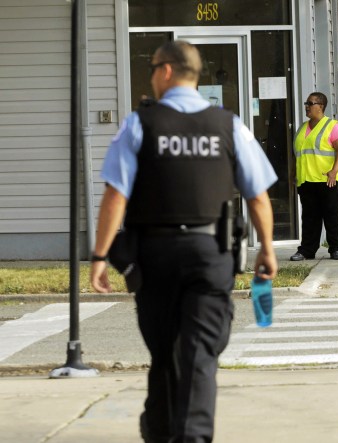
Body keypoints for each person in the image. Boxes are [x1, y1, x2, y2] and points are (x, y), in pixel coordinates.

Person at [90, 40, 278, 443]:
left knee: (165, 352)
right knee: (198, 356)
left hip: (154, 258)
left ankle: (164, 431)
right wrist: (266, 248)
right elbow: (258, 195)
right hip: (209, 254)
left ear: (168, 71)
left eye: (153, 67)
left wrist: (100, 255)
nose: (152, 76)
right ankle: (178, 432)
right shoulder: (230, 125)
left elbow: (116, 195)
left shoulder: (140, 124)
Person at [290, 92, 338, 261]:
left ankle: (337, 248)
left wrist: (334, 171)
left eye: (310, 103)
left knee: (333, 216)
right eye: (306, 103)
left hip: (328, 179)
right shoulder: (302, 128)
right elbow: (297, 154)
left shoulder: (332, 126)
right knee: (309, 218)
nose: (307, 106)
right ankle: (306, 250)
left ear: (320, 106)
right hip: (306, 180)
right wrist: (293, 174)